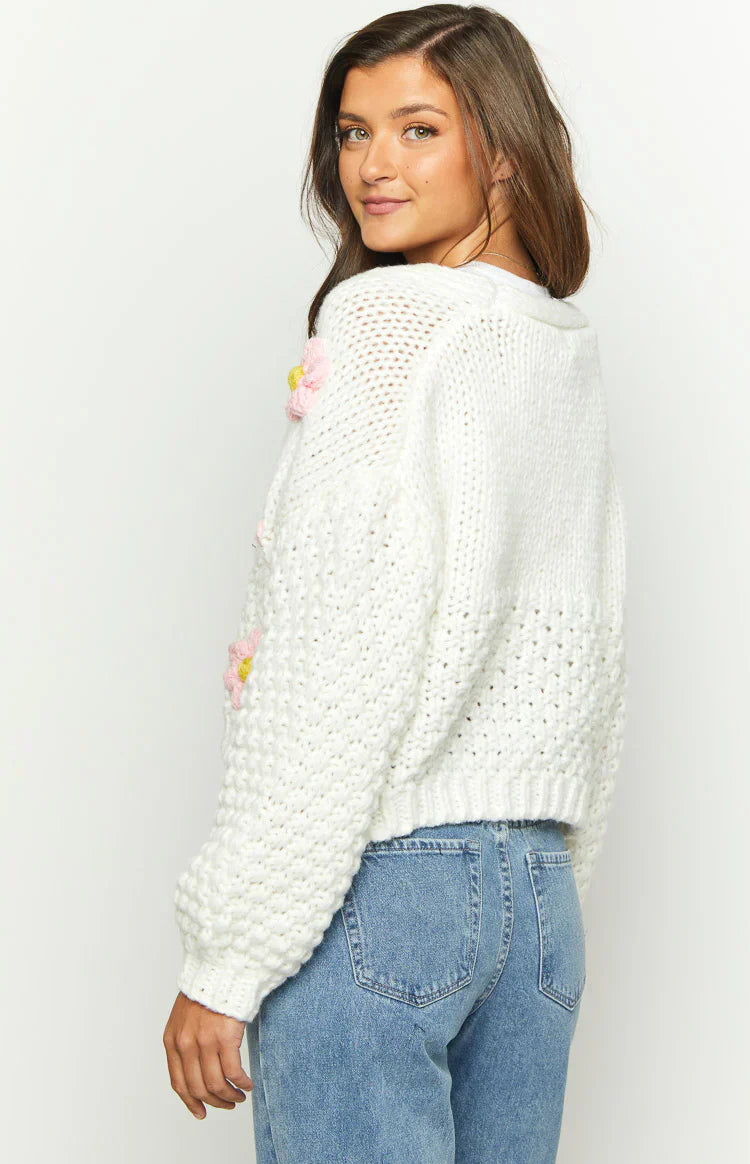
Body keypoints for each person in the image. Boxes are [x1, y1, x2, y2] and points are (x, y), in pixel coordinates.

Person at [163, 6, 628, 1161]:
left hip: (384, 894)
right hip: (539, 906)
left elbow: (333, 657)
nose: (373, 164)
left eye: (418, 129)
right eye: (352, 131)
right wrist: (546, 889)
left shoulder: (387, 323)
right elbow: (597, 649)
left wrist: (230, 952)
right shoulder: (559, 347)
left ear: (503, 147)